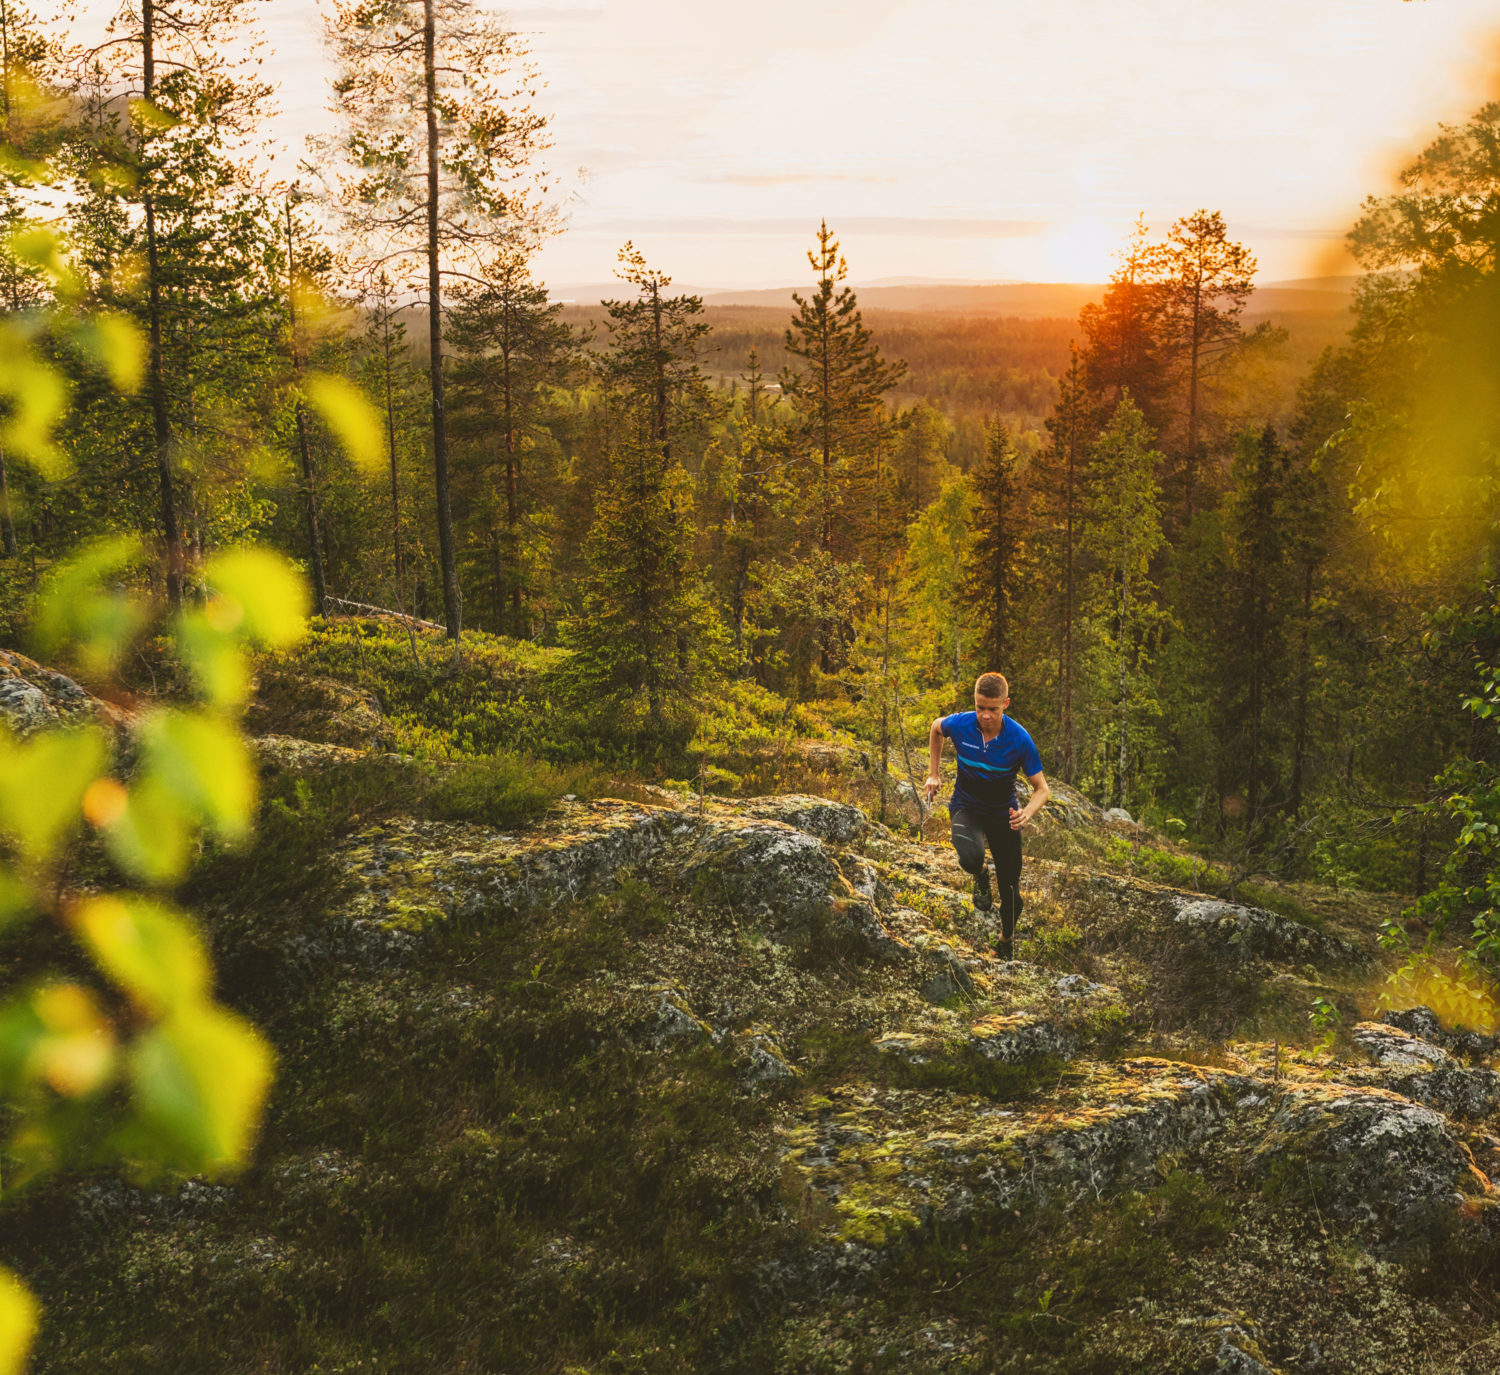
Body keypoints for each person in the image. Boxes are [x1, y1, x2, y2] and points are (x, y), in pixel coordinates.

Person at [924, 672, 1051, 960]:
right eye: (980, 707)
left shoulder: (1019, 739)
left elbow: (1042, 789)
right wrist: (934, 773)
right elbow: (936, 728)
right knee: (969, 856)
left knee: (1011, 894)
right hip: (966, 805)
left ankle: (1006, 940)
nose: (984, 715)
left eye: (992, 709)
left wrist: (1026, 813)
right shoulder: (962, 724)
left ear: (1005, 704)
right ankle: (981, 875)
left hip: (1003, 814)